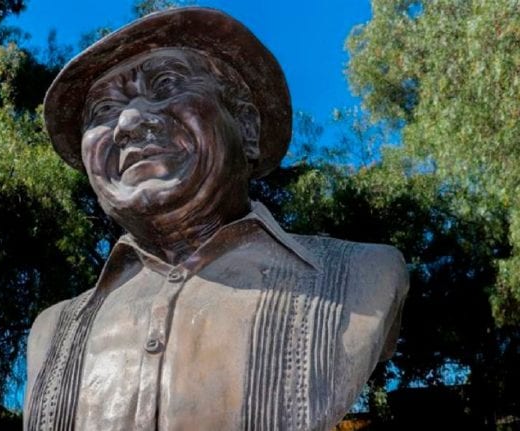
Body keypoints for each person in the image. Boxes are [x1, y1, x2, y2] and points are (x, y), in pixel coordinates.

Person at [24, 7, 408, 431]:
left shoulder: (362, 278)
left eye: (166, 84)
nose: (127, 123)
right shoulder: (51, 332)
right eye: (103, 111)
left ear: (244, 124)